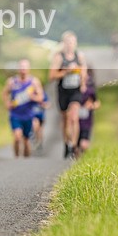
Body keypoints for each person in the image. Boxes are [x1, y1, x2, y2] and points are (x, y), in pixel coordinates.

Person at [48, 31, 87, 159]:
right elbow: (52, 76)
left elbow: (84, 72)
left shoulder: (79, 56)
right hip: (63, 91)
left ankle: (74, 146)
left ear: (75, 43)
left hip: (75, 91)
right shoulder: (59, 57)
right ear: (64, 44)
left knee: (73, 117)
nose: (70, 45)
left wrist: (82, 83)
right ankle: (66, 144)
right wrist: (65, 72)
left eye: (72, 42)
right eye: (68, 43)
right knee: (65, 120)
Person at [2, 59, 45, 158]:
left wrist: (32, 97)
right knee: (17, 136)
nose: (23, 70)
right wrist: (7, 103)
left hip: (28, 115)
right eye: (21, 68)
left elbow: (41, 97)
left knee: (26, 140)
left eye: (25, 68)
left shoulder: (34, 82)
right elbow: (4, 93)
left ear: (29, 69)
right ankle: (16, 158)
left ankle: (25, 162)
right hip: (15, 114)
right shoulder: (12, 82)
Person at [75, 67, 100, 158]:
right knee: (76, 146)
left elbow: (97, 102)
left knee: (84, 144)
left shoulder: (90, 90)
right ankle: (75, 161)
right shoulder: (74, 89)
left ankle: (83, 160)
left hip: (86, 121)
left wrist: (91, 106)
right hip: (76, 122)